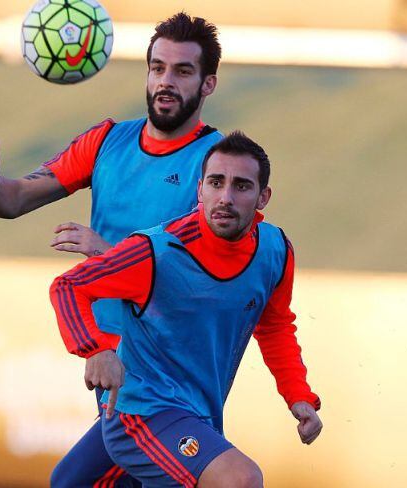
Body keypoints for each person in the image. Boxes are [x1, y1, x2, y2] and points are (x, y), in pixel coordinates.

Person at [0, 12, 223, 486]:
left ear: (208, 85)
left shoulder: (218, 165)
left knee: (74, 482)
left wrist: (107, 254)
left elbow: (202, 279)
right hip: (117, 363)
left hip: (168, 372)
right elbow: (14, 200)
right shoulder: (106, 142)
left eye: (183, 72)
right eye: (157, 67)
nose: (166, 81)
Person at [50, 132, 322, 487]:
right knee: (240, 479)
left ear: (262, 197)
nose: (225, 197)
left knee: (72, 482)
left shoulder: (275, 250)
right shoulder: (157, 250)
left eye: (241, 186)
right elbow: (68, 287)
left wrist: (298, 394)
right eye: (216, 182)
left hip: (194, 415)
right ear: (199, 190)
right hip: (142, 412)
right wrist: (96, 349)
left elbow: (274, 327)